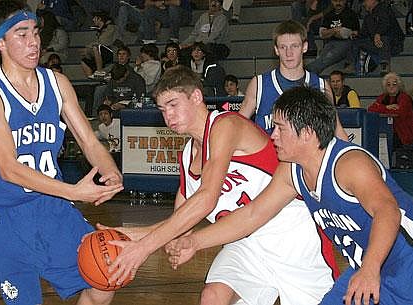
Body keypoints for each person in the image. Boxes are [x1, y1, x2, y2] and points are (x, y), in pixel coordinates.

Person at [102, 66, 339, 305]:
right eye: (163, 109)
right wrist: (131, 235)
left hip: (293, 241)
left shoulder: (227, 125)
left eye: (173, 105)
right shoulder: (187, 155)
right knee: (212, 297)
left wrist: (143, 247)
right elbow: (182, 222)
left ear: (196, 97)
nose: (168, 116)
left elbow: (207, 198)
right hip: (244, 244)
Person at [167, 85, 413, 305]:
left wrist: (370, 268)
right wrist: (195, 241)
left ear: (306, 132)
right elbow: (252, 215)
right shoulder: (292, 170)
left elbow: (388, 211)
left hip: (408, 264)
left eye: (279, 128)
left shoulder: (348, 164)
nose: (272, 135)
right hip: (372, 267)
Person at [0, 1, 123, 304]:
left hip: (53, 209)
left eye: (36, 33)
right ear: (0, 42)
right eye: (22, 34)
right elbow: (9, 170)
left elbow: (89, 141)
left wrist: (110, 171)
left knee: (105, 279)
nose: (34, 42)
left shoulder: (57, 83)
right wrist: (75, 191)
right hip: (7, 214)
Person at [238, 20, 347, 139]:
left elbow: (337, 131)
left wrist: (351, 155)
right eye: (283, 47)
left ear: (304, 47)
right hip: (269, 156)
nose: (288, 53)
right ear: (276, 50)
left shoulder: (321, 86)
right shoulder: (259, 84)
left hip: (307, 157)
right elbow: (236, 126)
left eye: (294, 46)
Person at [344, 0, 404, 76]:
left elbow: (385, 23)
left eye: (364, 1)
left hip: (393, 43)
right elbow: (364, 33)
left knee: (384, 38)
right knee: (355, 42)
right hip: (376, 44)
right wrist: (356, 34)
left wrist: (378, 34)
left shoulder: (385, 9)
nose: (363, 4)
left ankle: (385, 65)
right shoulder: (368, 16)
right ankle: (350, 65)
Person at [305, 0, 359, 74]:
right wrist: (335, 30)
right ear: (331, 1)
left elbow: (343, 34)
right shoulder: (329, 14)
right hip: (330, 42)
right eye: (335, 0)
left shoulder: (350, 14)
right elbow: (322, 33)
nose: (338, 3)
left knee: (326, 59)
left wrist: (329, 32)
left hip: (346, 44)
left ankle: (305, 71)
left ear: (345, 1)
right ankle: (306, 72)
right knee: (321, 58)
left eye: (340, 0)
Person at [367, 72, 413, 148]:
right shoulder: (382, 97)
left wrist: (381, 108)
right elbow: (371, 109)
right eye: (388, 85)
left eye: (394, 84)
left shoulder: (405, 98)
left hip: (403, 135)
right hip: (387, 132)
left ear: (399, 85)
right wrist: (386, 107)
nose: (391, 87)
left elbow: (398, 113)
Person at [80, 11, 116, 78]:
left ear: (99, 19)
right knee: (84, 59)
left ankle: (100, 71)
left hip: (111, 52)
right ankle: (91, 77)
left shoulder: (110, 27)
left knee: (95, 48)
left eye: (95, 18)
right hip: (101, 53)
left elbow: (103, 42)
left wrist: (89, 47)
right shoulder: (100, 30)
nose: (93, 20)